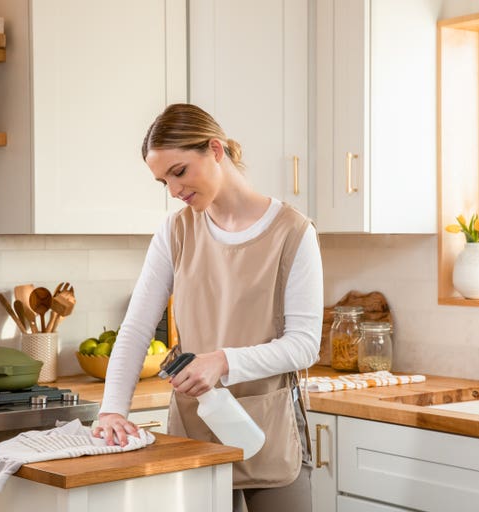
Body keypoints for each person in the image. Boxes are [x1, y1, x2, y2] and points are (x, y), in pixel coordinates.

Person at [94, 103, 323, 512]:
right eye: (163, 180)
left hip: (269, 432)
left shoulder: (293, 232)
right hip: (194, 435)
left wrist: (221, 361)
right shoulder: (176, 230)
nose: (173, 190)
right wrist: (112, 409)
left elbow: (304, 346)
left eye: (178, 172)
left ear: (216, 150)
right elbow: (136, 329)